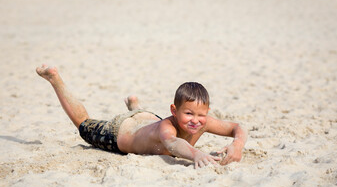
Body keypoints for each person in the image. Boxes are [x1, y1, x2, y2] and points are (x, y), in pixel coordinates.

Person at [36, 64, 247, 168]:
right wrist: (197, 154)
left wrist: (237, 144)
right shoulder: (168, 128)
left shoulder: (202, 121)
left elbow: (237, 127)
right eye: (188, 113)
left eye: (201, 115)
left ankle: (135, 106)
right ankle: (54, 79)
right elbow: (173, 144)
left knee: (148, 120)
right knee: (83, 124)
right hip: (119, 131)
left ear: (207, 113)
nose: (195, 120)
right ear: (174, 111)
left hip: (148, 119)